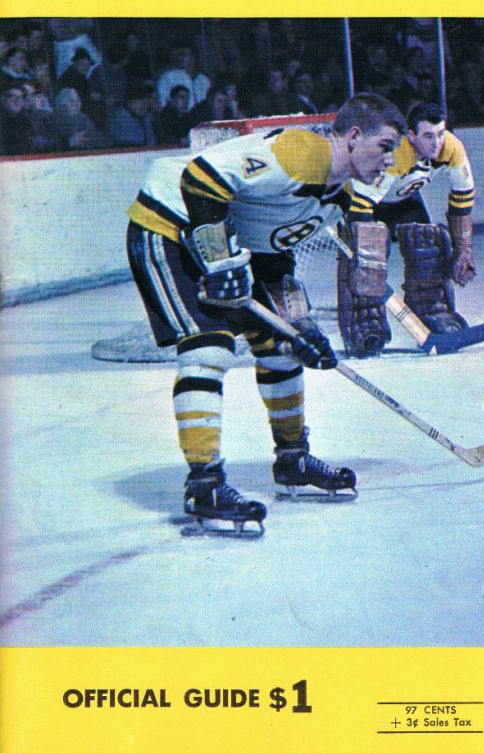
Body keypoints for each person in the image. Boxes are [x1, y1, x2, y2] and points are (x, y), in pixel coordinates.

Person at [126, 93, 406, 534]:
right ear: (353, 137)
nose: (390, 159)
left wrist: (301, 325)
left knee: (282, 347)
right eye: (386, 145)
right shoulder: (303, 154)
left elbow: (274, 257)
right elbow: (200, 179)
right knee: (209, 347)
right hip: (168, 223)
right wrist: (219, 262)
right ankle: (204, 484)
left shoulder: (335, 195)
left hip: (219, 235)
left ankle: (293, 459)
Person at [340, 102, 477, 357]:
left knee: (429, 242)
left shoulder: (451, 147)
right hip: (360, 202)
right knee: (367, 258)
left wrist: (464, 250)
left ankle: (431, 310)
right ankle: (364, 320)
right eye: (428, 136)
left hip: (401, 201)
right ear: (411, 136)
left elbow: (462, 200)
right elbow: (360, 207)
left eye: (440, 134)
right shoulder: (396, 152)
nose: (436, 143)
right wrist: (367, 258)